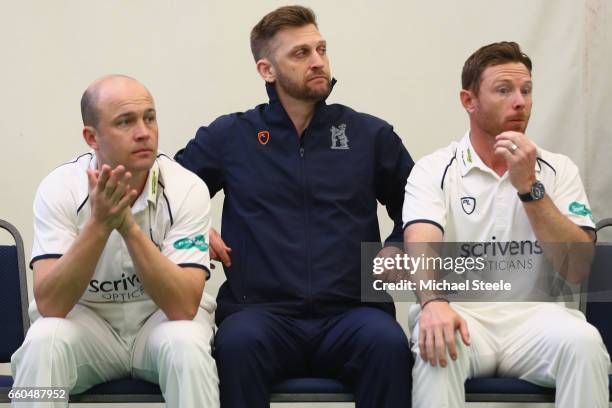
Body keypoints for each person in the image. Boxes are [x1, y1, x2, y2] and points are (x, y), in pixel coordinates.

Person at [175, 5, 414, 408]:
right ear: (267, 70)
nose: (318, 61)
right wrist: (196, 232)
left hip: (353, 313)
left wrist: (397, 243)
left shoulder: (368, 134)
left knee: (389, 344)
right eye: (301, 54)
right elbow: (166, 193)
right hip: (259, 314)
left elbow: (419, 201)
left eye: (321, 49)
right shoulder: (232, 136)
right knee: (235, 346)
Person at [403, 41, 610, 408]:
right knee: (436, 342)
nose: (521, 102)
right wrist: (433, 302)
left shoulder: (558, 170)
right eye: (504, 90)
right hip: (460, 313)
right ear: (469, 101)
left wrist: (529, 187)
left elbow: (577, 268)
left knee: (585, 343)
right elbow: (420, 244)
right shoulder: (434, 168)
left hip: (536, 318)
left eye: (526, 91)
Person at [11, 75, 219, 408]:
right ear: (91, 137)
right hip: (89, 326)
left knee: (187, 344)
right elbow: (51, 304)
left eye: (149, 118)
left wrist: (128, 228)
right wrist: (99, 224)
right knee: (41, 341)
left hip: (159, 322)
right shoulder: (59, 188)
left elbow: (182, 307)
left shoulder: (187, 188)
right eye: (125, 122)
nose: (144, 132)